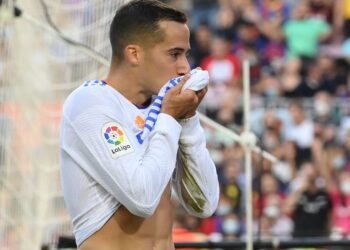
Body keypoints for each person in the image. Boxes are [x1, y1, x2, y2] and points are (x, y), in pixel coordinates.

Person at [59, 1, 220, 250]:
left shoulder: (162, 108)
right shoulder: (90, 104)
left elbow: (205, 204)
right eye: (174, 54)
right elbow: (142, 199)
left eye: (185, 55)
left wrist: (187, 120)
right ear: (134, 54)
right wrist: (169, 116)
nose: (184, 68)